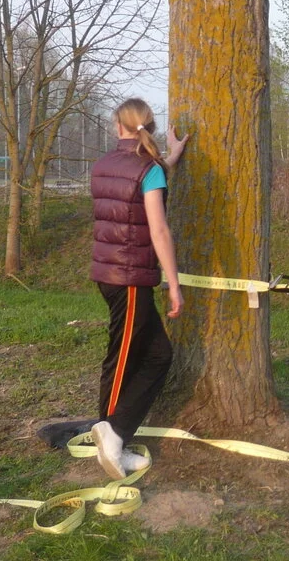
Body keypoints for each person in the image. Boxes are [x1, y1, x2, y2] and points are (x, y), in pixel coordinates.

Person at [87, 98, 188, 480]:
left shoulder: (105, 166)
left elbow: (145, 180)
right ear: (149, 126)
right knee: (123, 355)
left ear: (119, 127)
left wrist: (172, 156)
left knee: (159, 355)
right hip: (129, 279)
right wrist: (174, 284)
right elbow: (159, 230)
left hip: (109, 274)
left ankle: (112, 431)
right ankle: (111, 437)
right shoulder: (147, 170)